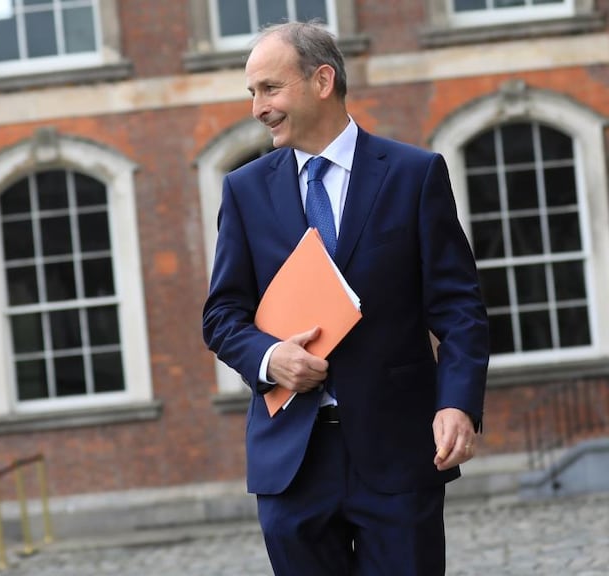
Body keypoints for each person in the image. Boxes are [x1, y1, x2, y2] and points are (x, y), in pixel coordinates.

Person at [202, 22, 489, 576]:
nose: (258, 108)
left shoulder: (414, 175)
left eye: (270, 88)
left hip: (398, 454)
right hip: (292, 465)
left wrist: (457, 403)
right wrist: (270, 358)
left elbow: (459, 309)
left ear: (322, 81)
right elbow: (221, 316)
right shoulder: (243, 190)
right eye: (252, 93)